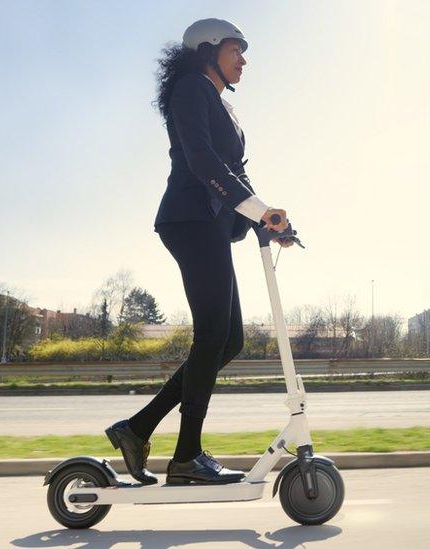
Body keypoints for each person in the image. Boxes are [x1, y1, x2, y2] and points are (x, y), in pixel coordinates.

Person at [105, 18, 292, 485]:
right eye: (236, 50)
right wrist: (257, 210)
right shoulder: (191, 88)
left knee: (228, 341)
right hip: (190, 219)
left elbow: (236, 175)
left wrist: (269, 220)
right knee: (212, 335)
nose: (244, 59)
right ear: (209, 50)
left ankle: (138, 428)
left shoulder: (222, 105)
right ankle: (186, 456)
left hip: (209, 223)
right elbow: (201, 160)